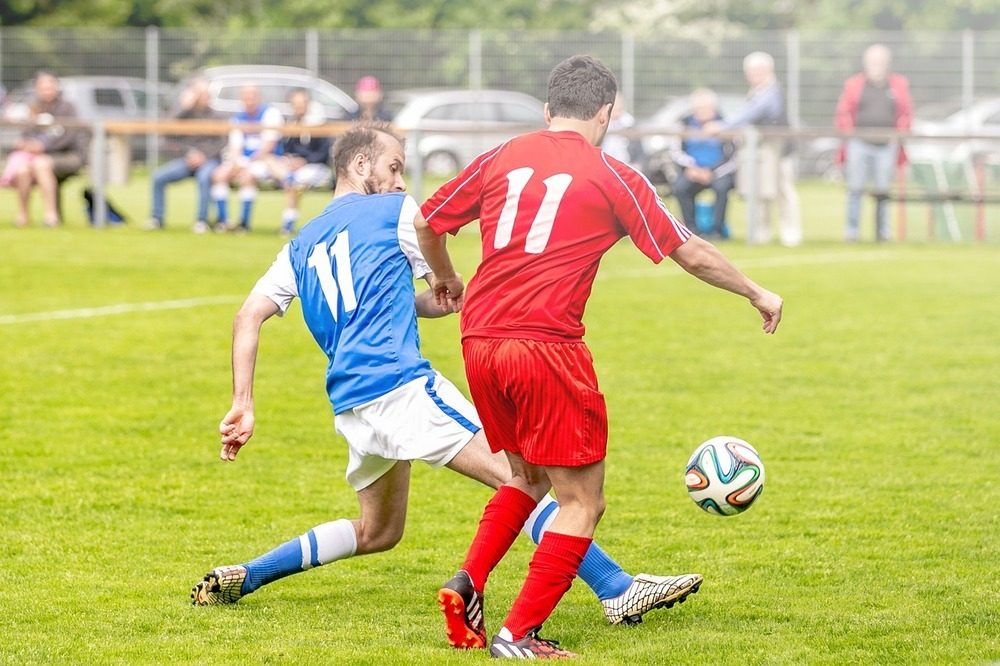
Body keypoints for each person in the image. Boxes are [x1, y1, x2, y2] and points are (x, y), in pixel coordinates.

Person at [191, 125, 705, 637]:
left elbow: (248, 317)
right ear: (360, 165)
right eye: (393, 167)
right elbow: (435, 250)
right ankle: (616, 587)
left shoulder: (299, 245)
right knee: (520, 479)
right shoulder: (397, 213)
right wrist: (451, 282)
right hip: (400, 386)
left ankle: (249, 575)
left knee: (378, 531)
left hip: (351, 402)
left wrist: (243, 402)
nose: (399, 180)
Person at [416, 55, 783, 659]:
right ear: (607, 114)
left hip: (479, 339)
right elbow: (689, 251)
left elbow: (429, 221)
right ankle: (518, 635)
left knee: (525, 478)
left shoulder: (499, 156)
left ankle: (469, 582)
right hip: (546, 345)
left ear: (547, 110)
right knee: (582, 501)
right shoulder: (613, 174)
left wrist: (447, 280)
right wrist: (755, 291)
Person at [707, 51, 801, 246]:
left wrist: (723, 127)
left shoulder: (771, 92)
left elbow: (750, 114)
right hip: (761, 151)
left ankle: (790, 234)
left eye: (753, 71)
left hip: (780, 151)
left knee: (784, 191)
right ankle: (761, 233)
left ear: (765, 70)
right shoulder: (756, 91)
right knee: (760, 191)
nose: (749, 75)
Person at [835, 44, 912, 242]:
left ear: (887, 64)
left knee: (883, 191)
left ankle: (883, 233)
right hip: (859, 143)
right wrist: (849, 132)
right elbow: (843, 112)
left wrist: (899, 133)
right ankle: (851, 232)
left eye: (880, 62)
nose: (876, 66)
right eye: (872, 62)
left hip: (887, 145)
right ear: (866, 63)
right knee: (855, 189)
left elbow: (906, 112)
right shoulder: (854, 84)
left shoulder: (898, 84)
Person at [4, 71, 86, 228]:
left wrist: (43, 147)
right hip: (36, 157)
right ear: (37, 88)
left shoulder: (67, 107)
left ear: (56, 87)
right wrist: (26, 144)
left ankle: (51, 215)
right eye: (43, 87)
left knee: (41, 164)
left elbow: (69, 136)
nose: (47, 90)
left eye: (50, 86)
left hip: (67, 155)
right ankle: (23, 215)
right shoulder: (33, 108)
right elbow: (27, 133)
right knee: (22, 170)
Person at [145, 79, 226, 232]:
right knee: (158, 177)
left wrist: (203, 156)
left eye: (206, 94)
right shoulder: (184, 115)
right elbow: (166, 131)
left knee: (204, 178)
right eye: (199, 94)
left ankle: (201, 221)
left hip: (209, 160)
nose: (204, 97)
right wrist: (183, 107)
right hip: (187, 160)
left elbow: (221, 142)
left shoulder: (216, 116)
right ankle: (156, 218)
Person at [210, 85, 284, 232]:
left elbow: (268, 147)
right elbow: (235, 147)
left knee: (248, 176)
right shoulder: (238, 118)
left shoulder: (271, 114)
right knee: (219, 175)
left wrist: (246, 164)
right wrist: (239, 162)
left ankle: (243, 224)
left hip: (267, 161)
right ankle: (224, 221)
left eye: (252, 97)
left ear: (259, 97)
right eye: (246, 98)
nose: (249, 101)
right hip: (243, 161)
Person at [670, 88, 737, 239]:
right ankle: (691, 231)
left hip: (718, 172)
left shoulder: (726, 125)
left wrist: (711, 172)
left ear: (713, 108)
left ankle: (717, 230)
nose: (702, 112)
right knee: (680, 187)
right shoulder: (684, 124)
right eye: (698, 109)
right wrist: (691, 168)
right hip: (692, 171)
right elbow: (675, 152)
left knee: (722, 187)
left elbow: (732, 158)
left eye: (706, 108)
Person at [274, 88, 333, 236]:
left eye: (302, 103)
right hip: (294, 167)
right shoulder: (291, 124)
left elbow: (323, 153)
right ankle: (288, 224)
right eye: (296, 104)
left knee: (294, 181)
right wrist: (291, 159)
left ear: (308, 104)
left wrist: (304, 161)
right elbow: (285, 149)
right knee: (286, 175)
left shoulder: (318, 124)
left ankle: (288, 224)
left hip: (316, 167)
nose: (299, 107)